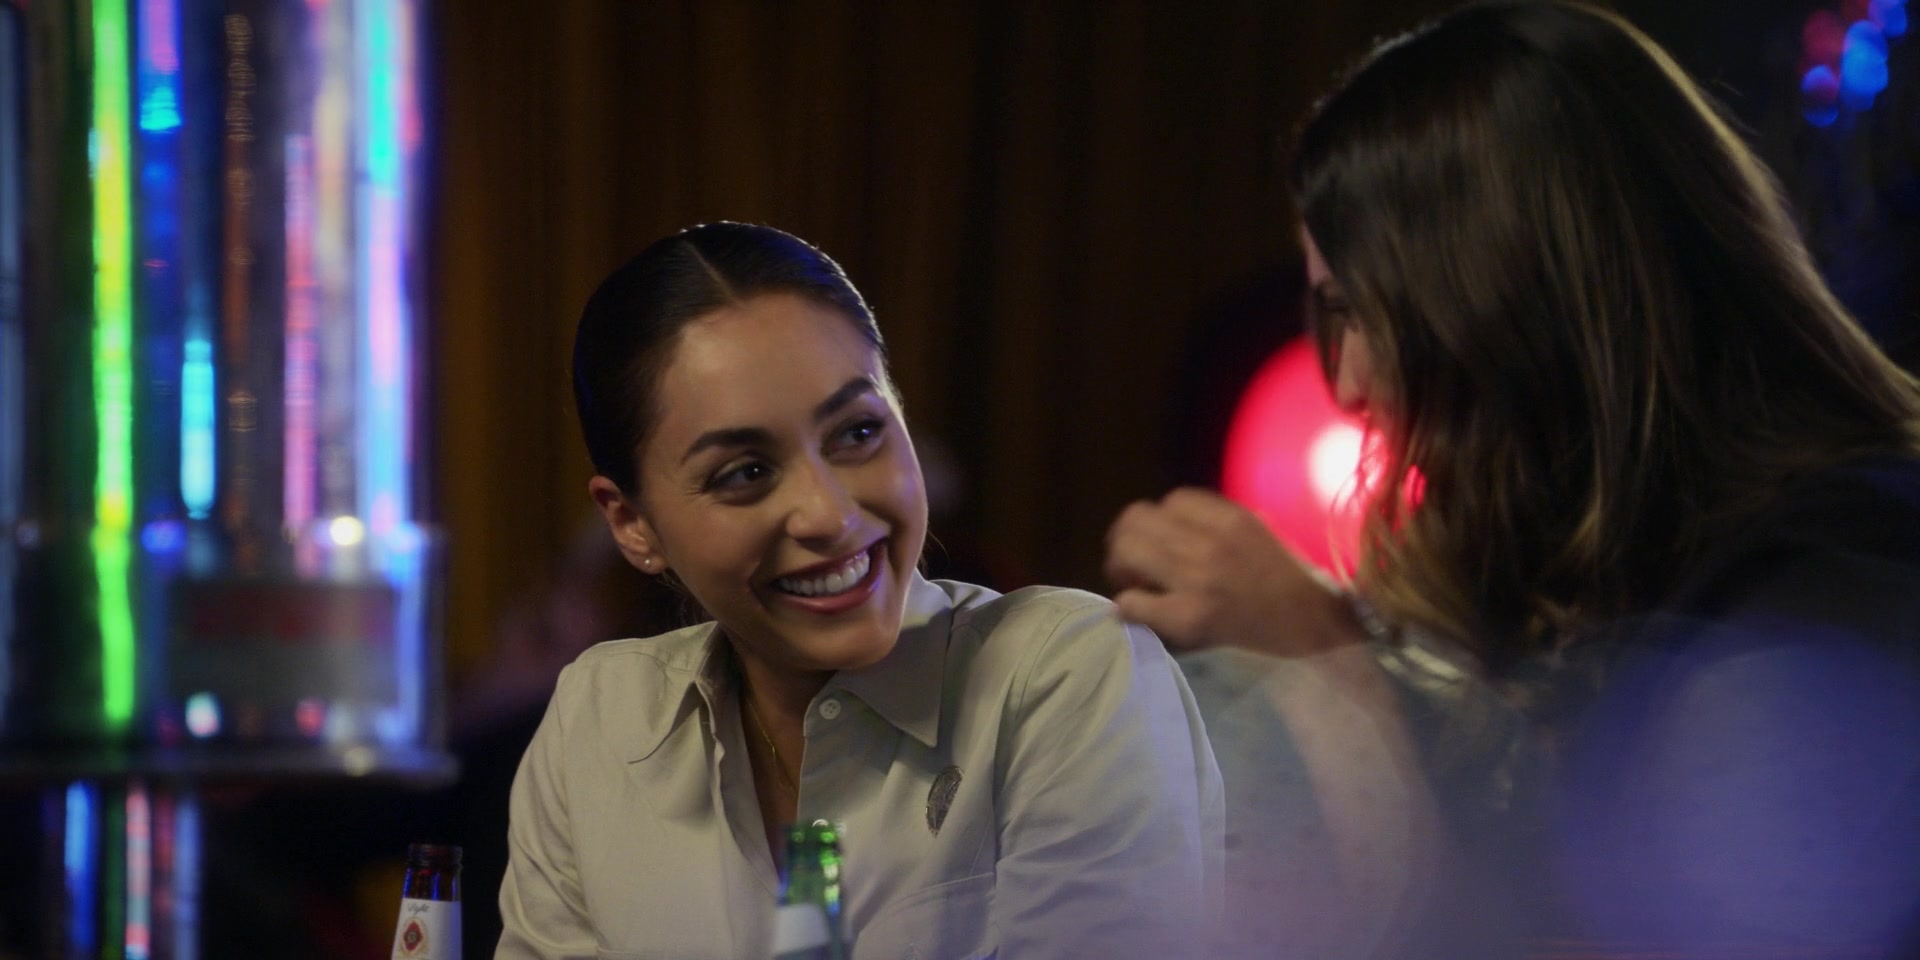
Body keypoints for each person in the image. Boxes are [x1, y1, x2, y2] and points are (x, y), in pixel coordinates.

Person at [1107, 0, 1920, 953]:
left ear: (1505, 299)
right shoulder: (1595, 603)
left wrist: (1324, 667)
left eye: (1359, 311)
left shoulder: (1824, 603)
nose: (1352, 386)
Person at [495, 221, 1223, 959]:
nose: (830, 514)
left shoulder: (1061, 674)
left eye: (856, 433)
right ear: (632, 523)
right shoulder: (601, 720)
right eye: (745, 472)